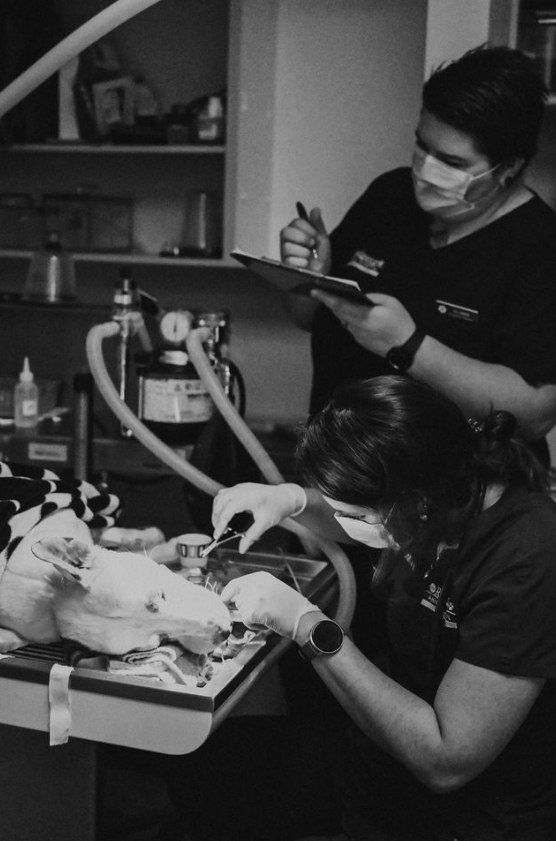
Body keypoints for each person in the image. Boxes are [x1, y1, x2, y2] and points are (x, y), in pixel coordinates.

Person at [207, 375, 556, 840]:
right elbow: (363, 515)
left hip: (473, 811)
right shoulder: (437, 496)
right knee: (211, 773)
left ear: (416, 504)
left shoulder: (526, 558)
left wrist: (309, 625)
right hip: (382, 765)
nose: (344, 522)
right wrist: (291, 499)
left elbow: (446, 760)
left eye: (354, 515)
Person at [280, 45, 556, 467]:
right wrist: (307, 277)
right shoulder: (388, 195)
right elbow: (307, 316)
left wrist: (408, 346)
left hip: (453, 504)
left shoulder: (538, 245)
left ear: (508, 168)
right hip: (338, 476)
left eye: (450, 161)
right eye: (422, 146)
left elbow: (534, 416)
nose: (425, 171)